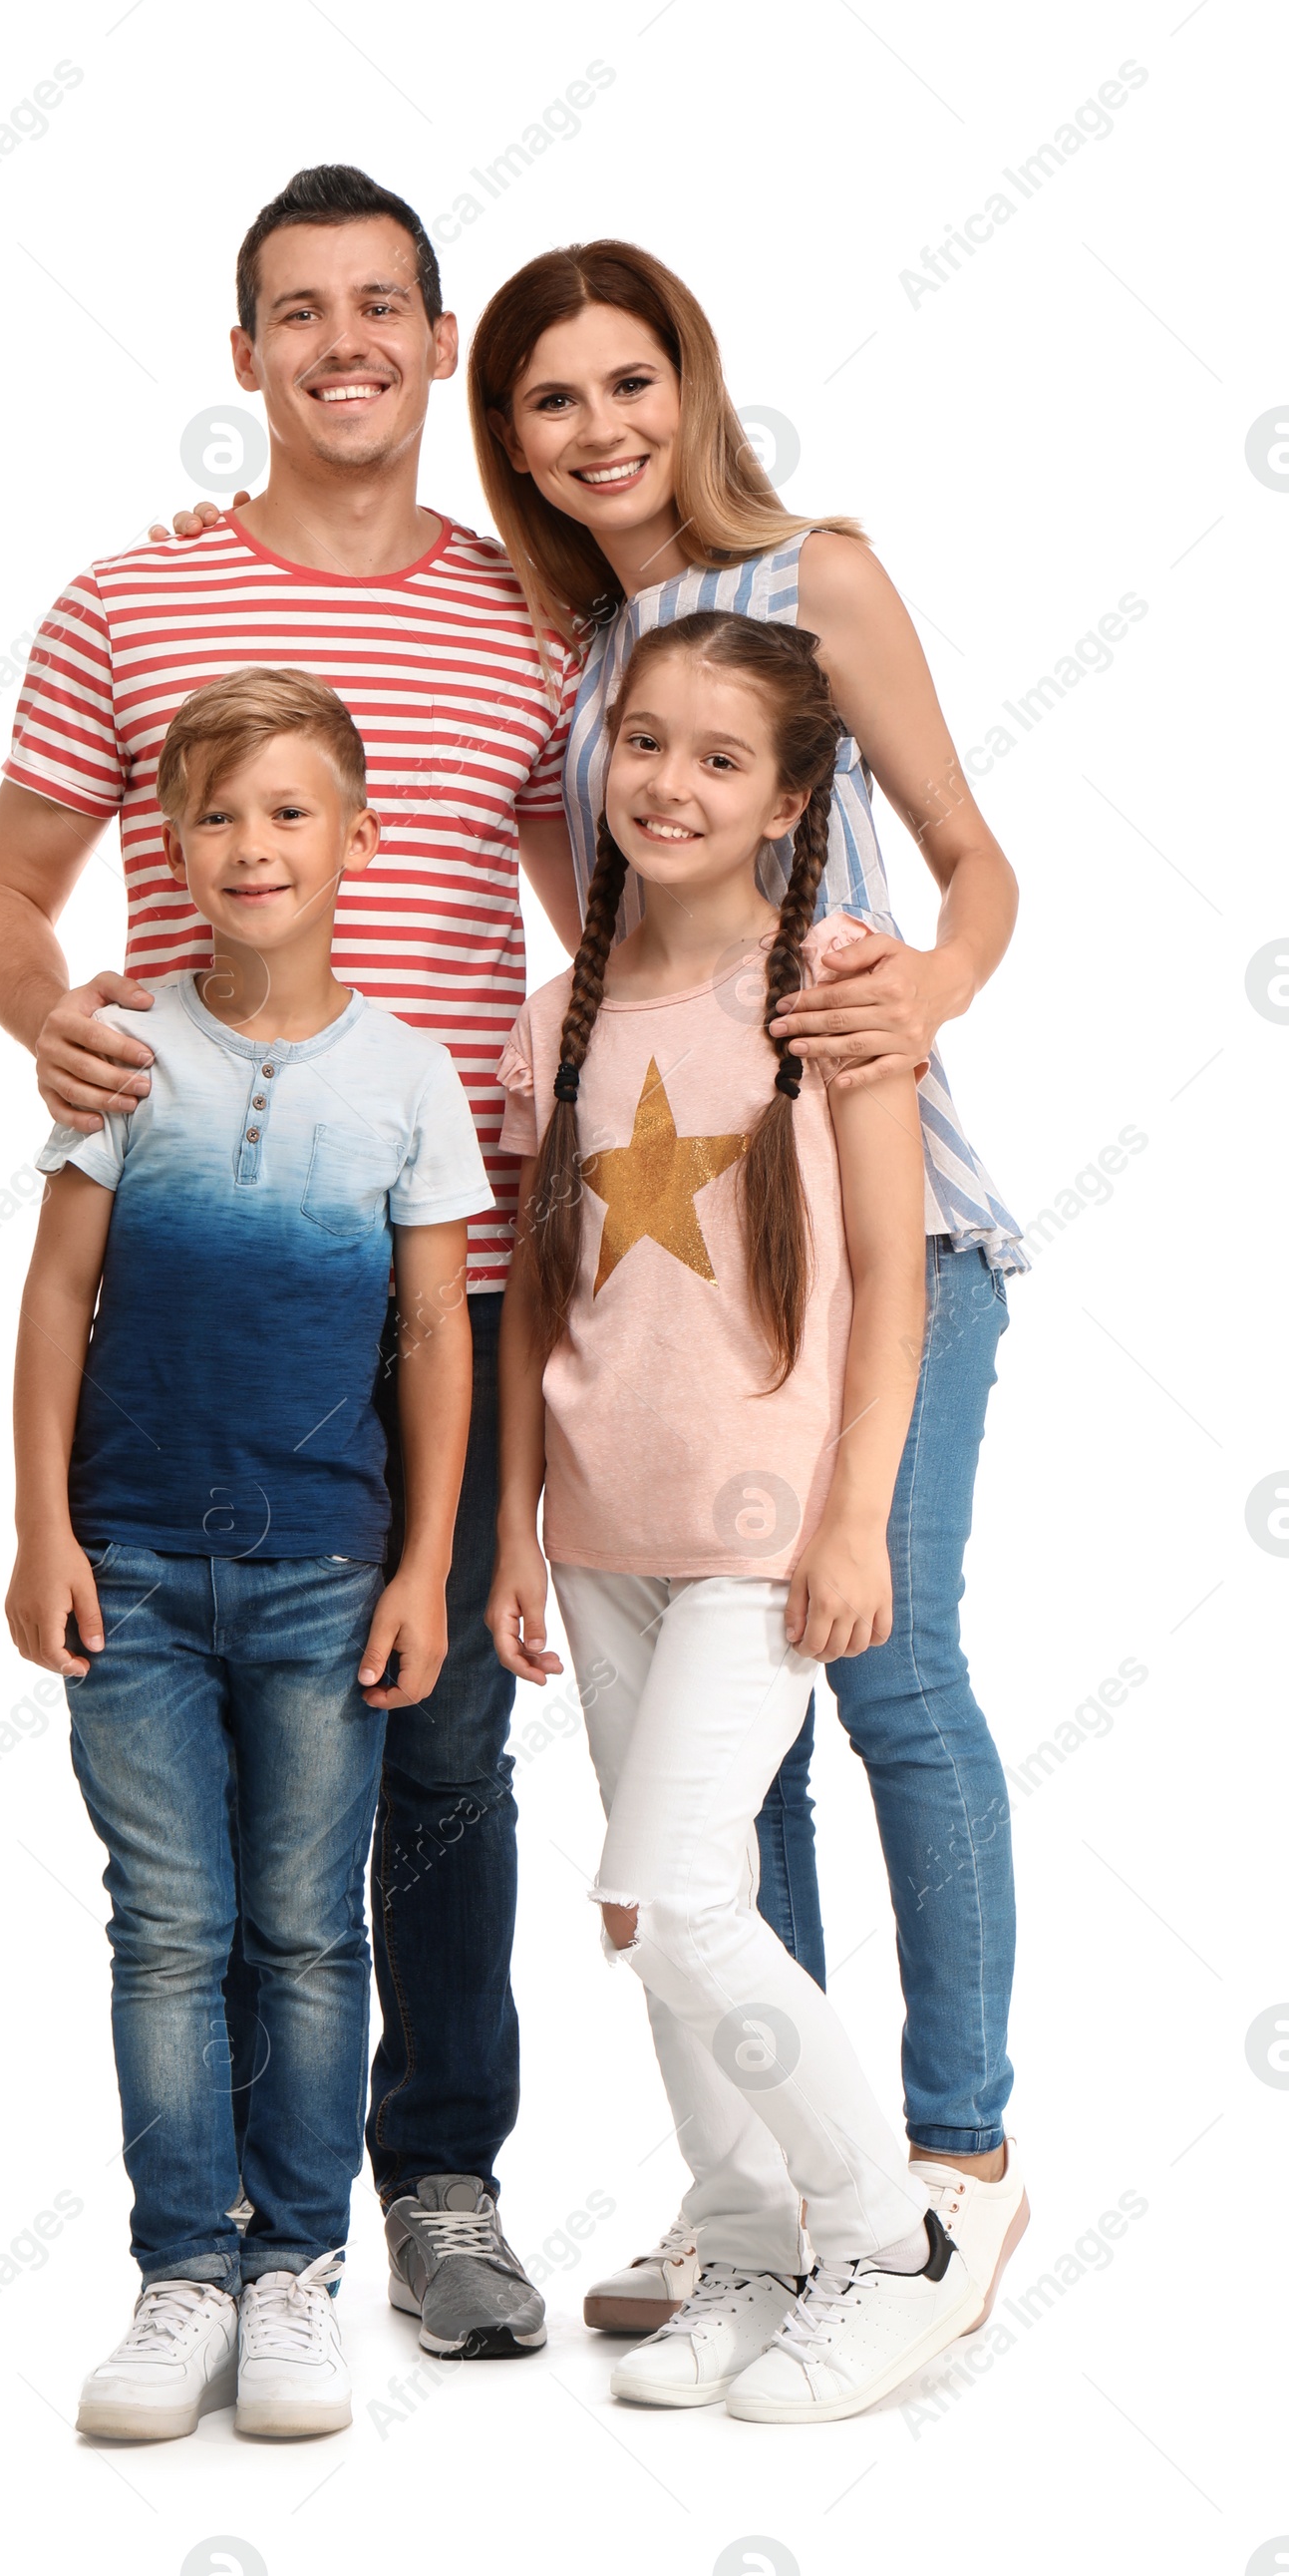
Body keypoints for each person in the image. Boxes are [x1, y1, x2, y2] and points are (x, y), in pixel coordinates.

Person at [0, 166, 578, 2361]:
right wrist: (52, 1018)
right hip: (199, 1273)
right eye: (297, 311)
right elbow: (7, 905)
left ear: (434, 346)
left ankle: (430, 2181)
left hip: (460, 1260)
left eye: (385, 308)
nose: (344, 342)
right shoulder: (126, 606)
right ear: (244, 357)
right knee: (193, 1810)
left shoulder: (529, 614)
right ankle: (209, 2232)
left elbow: (601, 911)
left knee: (442, 1745)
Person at [469, 240, 1029, 2329]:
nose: (598, 427)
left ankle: (953, 2159)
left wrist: (914, 995)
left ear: (689, 381)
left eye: (630, 379)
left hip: (891, 1223)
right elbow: (620, 965)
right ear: (509, 436)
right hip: (681, 1272)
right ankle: (778, 2195)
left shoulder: (818, 574)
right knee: (726, 1762)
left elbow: (970, 855)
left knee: (885, 1659)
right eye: (548, 399)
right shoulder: (566, 655)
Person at [490, 609, 983, 2420]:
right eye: (643, 743)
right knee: (648, 1907)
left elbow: (887, 1274)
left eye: (718, 757)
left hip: (763, 1531)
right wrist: (514, 1535)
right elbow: (546, 1295)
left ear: (790, 798)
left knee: (684, 1887)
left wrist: (854, 1518)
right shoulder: (556, 1015)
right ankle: (745, 2228)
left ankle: (893, 2233)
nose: (669, 782)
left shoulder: (834, 983)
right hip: (604, 1532)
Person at [6, 667, 495, 2438]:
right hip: (129, 1568)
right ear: (170, 843)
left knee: (300, 1931)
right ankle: (180, 2275)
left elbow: (441, 1338)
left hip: (324, 1574)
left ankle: (294, 2268)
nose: (250, 843)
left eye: (290, 810)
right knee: (168, 1927)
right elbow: (61, 1297)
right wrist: (39, 1529)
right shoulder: (126, 1048)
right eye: (214, 813)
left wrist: (428, 1563)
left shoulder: (412, 1079)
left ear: (360, 838)